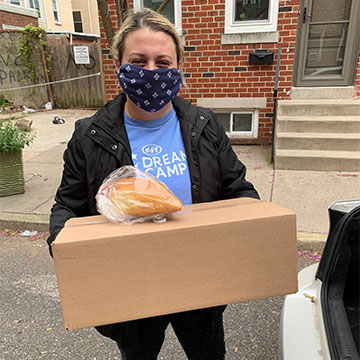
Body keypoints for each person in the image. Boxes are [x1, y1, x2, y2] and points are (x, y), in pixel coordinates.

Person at [47, 8, 260, 360]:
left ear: (178, 67)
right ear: (119, 65)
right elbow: (67, 206)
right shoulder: (90, 135)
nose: (150, 72)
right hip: (132, 287)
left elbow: (239, 192)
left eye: (163, 62)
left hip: (199, 281)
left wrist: (248, 229)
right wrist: (67, 247)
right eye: (138, 60)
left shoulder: (204, 125)